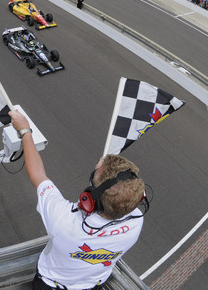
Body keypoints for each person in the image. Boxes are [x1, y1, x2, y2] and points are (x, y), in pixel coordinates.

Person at [9, 110, 146, 290]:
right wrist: (104, 171)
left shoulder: (64, 220)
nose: (98, 163)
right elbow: (124, 192)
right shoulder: (136, 220)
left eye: (97, 170)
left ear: (90, 198)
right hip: (94, 284)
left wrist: (25, 131)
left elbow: (38, 175)